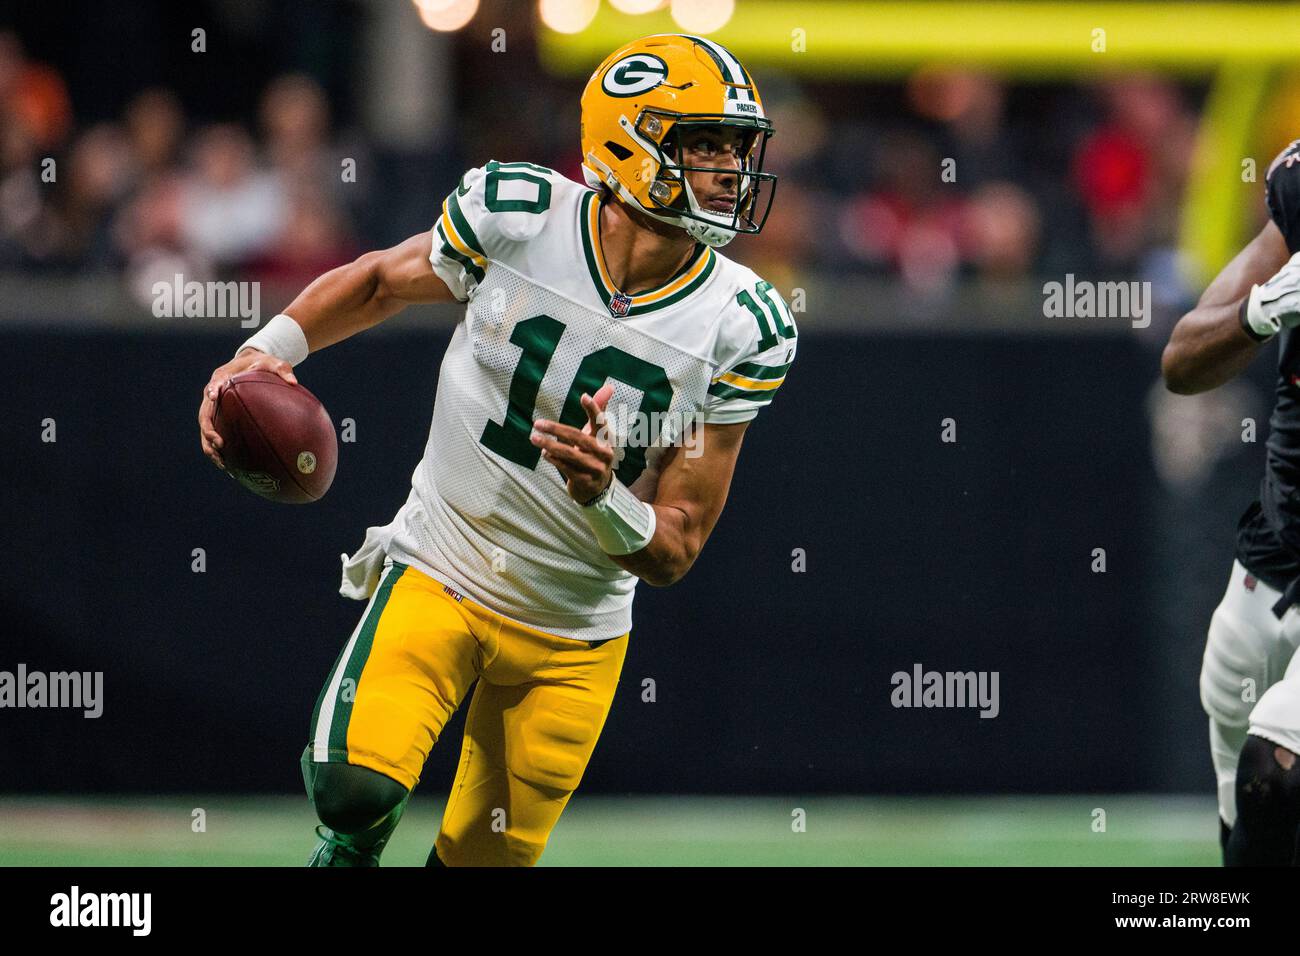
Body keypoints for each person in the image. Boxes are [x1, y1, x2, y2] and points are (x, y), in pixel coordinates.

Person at [196, 34, 798, 867]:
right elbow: (376, 281)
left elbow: (677, 546)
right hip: (445, 564)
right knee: (353, 786)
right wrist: (266, 351)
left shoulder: (743, 327)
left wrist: (606, 499)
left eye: (737, 149)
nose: (731, 171)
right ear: (628, 143)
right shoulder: (519, 215)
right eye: (706, 144)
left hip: (572, 632)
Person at [1162, 137, 1300, 865]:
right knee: (1246, 836)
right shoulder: (1297, 194)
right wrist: (1266, 306)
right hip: (1272, 558)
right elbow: (1182, 362)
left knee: (1275, 772)